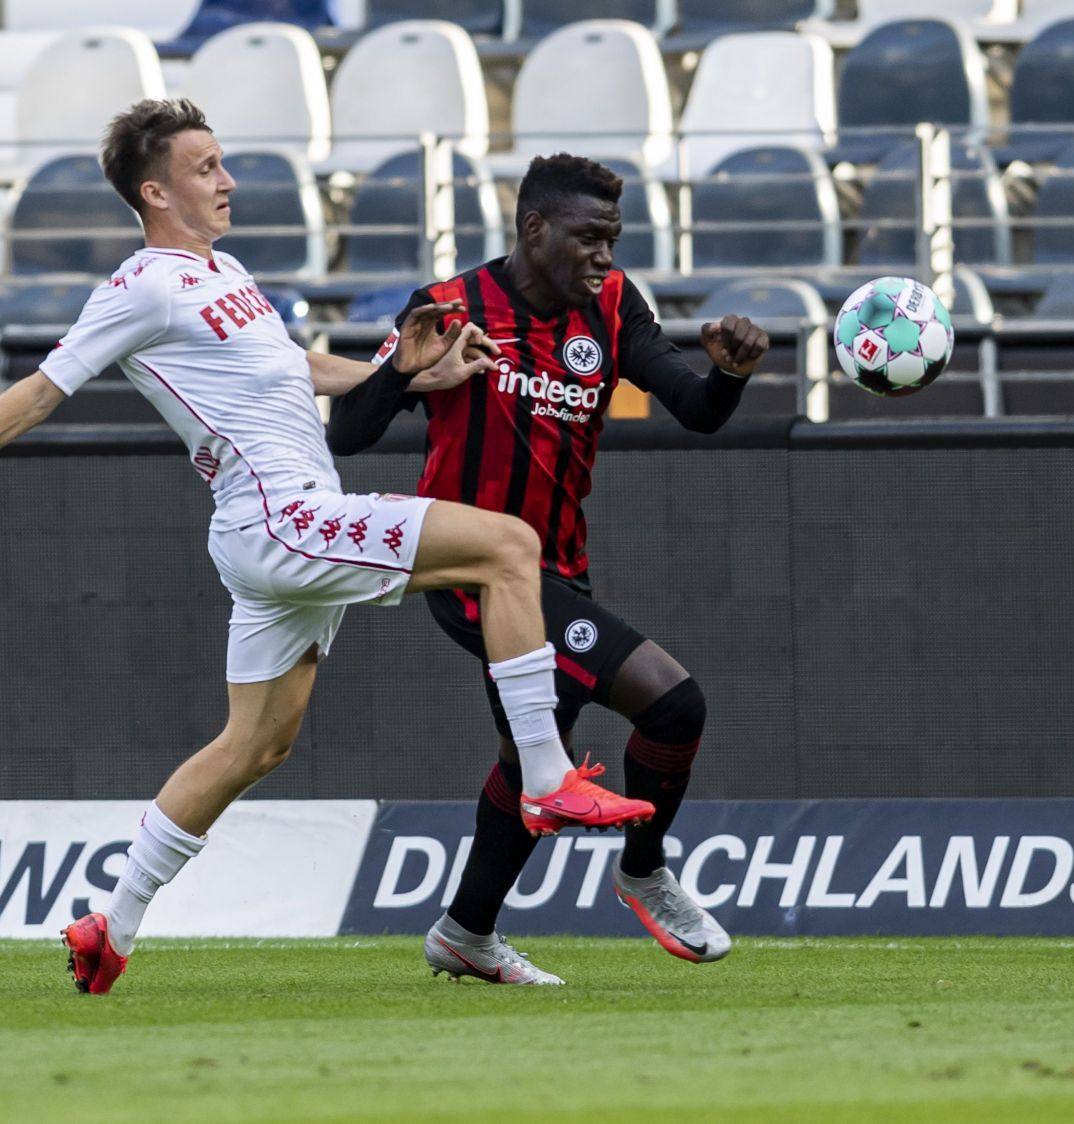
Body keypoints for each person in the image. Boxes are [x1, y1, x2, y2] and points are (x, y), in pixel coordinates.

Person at [0, 100, 656, 995]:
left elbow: (296, 367)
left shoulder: (223, 272)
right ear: (155, 191)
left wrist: (410, 373)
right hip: (280, 516)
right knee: (508, 544)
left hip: (274, 531)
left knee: (254, 747)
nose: (228, 180)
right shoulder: (144, 284)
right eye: (205, 168)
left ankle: (109, 926)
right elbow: (40, 392)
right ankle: (547, 775)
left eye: (223, 162)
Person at [328, 154, 771, 983]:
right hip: (468, 573)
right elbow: (345, 434)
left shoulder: (611, 305)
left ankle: (465, 931)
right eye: (589, 238)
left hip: (557, 574)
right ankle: (644, 870)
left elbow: (698, 410)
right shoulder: (451, 307)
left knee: (532, 762)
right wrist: (403, 370)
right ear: (534, 230)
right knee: (674, 704)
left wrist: (731, 373)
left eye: (613, 239)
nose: (604, 256)